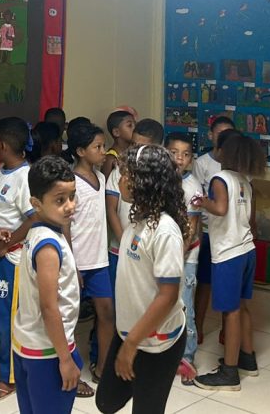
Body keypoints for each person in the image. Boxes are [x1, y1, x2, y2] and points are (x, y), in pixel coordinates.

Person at [95, 145, 189, 414]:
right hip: (129, 332)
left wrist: (131, 346)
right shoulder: (138, 220)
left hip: (156, 341)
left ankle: (162, 371)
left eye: (125, 174)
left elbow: (168, 296)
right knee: (106, 401)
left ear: (144, 181)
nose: (120, 179)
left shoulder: (165, 230)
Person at [193, 134, 263, 391]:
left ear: (223, 152)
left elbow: (220, 208)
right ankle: (247, 359)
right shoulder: (245, 181)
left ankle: (229, 372)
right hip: (247, 250)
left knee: (230, 311)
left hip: (228, 253)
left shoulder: (220, 179)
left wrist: (203, 202)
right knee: (242, 307)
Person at [12, 156, 82, 414]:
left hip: (28, 344)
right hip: (49, 352)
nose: (70, 206)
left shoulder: (37, 232)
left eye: (72, 196)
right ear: (36, 204)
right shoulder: (49, 247)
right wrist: (65, 359)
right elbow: (49, 307)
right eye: (60, 200)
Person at [0, 117, 36, 402]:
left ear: (2, 145)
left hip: (11, 259)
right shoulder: (0, 171)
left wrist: (9, 243)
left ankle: (10, 376)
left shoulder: (25, 177)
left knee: (7, 319)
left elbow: (34, 218)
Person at [67, 124, 113, 393]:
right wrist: (71, 264)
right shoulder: (71, 182)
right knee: (69, 320)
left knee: (106, 313)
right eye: (97, 147)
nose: (103, 151)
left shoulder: (102, 178)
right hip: (77, 262)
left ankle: (103, 368)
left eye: (103, 146)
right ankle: (70, 371)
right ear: (80, 151)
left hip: (99, 261)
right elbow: (65, 225)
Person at [191, 116, 236, 343]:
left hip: (231, 234)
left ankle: (227, 330)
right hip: (209, 231)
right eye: (220, 133)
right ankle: (197, 326)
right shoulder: (202, 163)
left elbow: (249, 194)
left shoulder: (238, 163)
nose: (225, 138)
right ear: (211, 136)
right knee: (205, 282)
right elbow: (196, 197)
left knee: (228, 284)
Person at [164, 132, 204, 384]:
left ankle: (186, 358)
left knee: (184, 305)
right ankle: (162, 354)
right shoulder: (160, 181)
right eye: (174, 153)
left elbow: (190, 229)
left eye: (186, 154)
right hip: (161, 254)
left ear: (191, 159)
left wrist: (175, 258)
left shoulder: (193, 187)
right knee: (161, 305)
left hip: (185, 256)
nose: (179, 159)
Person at [106, 118, 164, 287]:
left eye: (142, 147)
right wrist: (125, 243)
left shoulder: (163, 177)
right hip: (119, 249)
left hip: (147, 253)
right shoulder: (120, 171)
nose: (135, 151)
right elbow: (111, 209)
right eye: (133, 144)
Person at [100, 110, 136, 178]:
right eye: (130, 125)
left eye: (135, 125)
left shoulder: (133, 153)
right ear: (116, 132)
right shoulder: (110, 159)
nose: (135, 128)